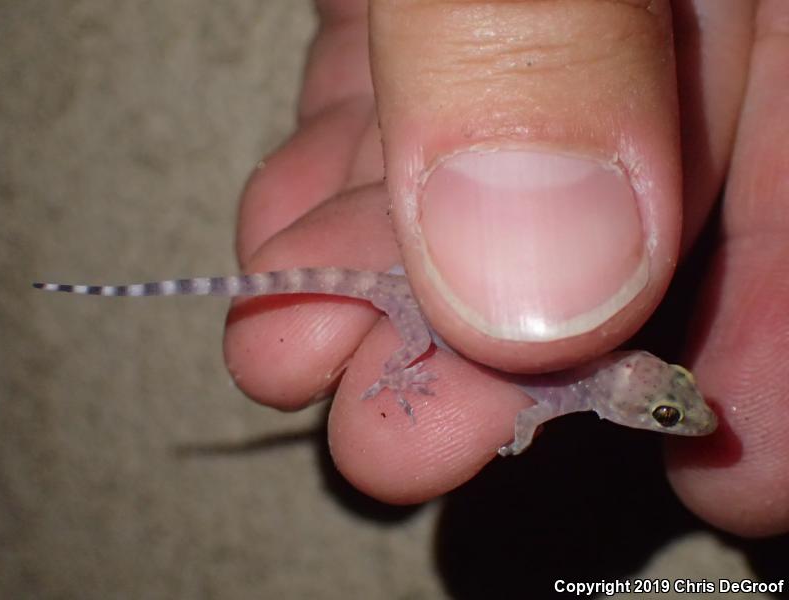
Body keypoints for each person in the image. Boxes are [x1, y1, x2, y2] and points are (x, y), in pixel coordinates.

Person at [223, 0, 788, 537]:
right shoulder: (567, 388)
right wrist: (510, 437)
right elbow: (523, 423)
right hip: (415, 304)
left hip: (413, 280)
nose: (675, 418)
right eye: (665, 413)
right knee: (405, 353)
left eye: (671, 403)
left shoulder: (591, 358)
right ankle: (396, 369)